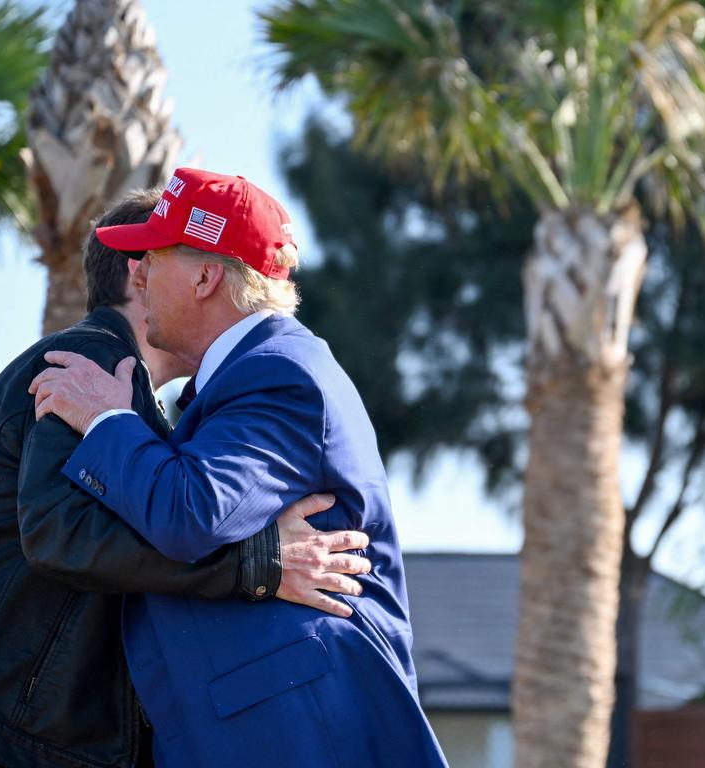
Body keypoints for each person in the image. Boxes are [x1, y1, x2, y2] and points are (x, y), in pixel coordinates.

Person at [0, 188, 374, 768]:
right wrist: (256, 564)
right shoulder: (86, 363)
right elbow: (58, 535)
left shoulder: (133, 402)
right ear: (137, 276)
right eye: (148, 258)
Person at [30, 168, 449, 768]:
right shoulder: (251, 373)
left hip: (301, 733)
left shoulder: (281, 372)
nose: (138, 274)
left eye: (153, 256)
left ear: (205, 276)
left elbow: (189, 512)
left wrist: (106, 418)